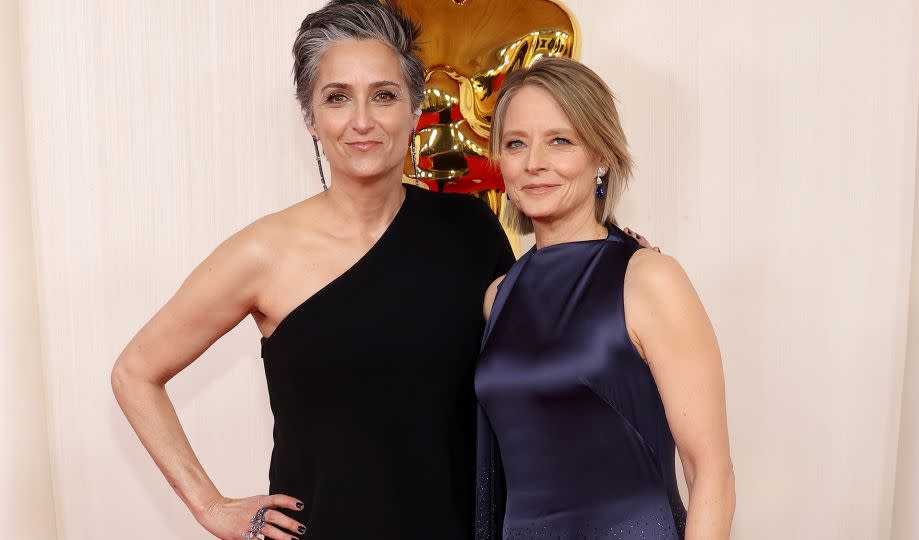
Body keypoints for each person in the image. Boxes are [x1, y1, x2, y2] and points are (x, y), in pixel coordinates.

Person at [110, 1, 516, 538]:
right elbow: (135, 373)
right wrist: (211, 506)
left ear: (414, 109)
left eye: (385, 95)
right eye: (338, 97)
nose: (363, 121)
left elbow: (538, 357)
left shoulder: (470, 229)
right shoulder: (262, 253)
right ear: (310, 117)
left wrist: (617, 263)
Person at [475, 57, 736, 540]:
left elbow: (710, 472)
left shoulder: (649, 278)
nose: (534, 162)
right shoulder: (499, 296)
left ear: (602, 156)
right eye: (516, 144)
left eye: (560, 140)